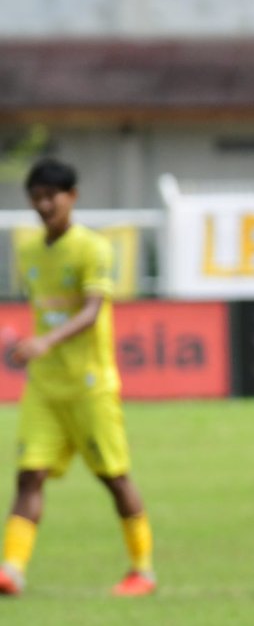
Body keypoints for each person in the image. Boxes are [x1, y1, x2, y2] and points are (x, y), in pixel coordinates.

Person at [0, 159, 156, 598]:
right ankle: (11, 570)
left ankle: (142, 571)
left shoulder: (93, 248)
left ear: (73, 197)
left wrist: (45, 342)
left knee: (114, 478)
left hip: (90, 386)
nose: (44, 205)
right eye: (36, 197)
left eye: (52, 196)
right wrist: (33, 347)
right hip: (45, 389)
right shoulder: (29, 251)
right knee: (29, 476)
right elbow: (44, 310)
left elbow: (92, 311)